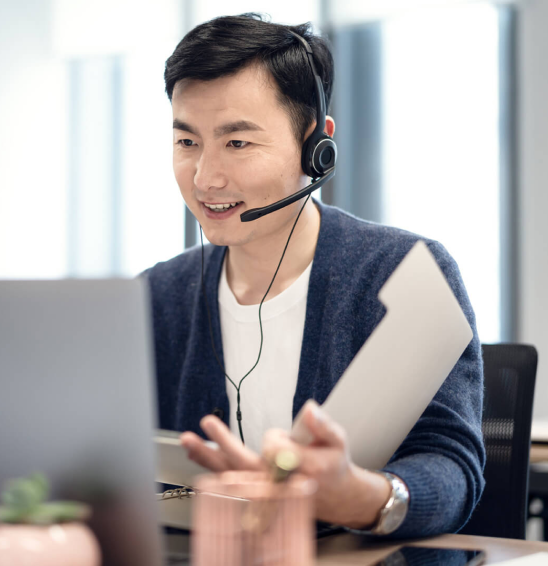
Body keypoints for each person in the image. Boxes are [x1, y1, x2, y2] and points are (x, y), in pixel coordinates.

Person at [143, 13, 485, 537]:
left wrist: (360, 496)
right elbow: (129, 476)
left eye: (237, 143)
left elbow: (452, 468)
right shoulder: (157, 296)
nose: (205, 178)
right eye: (187, 142)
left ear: (315, 145)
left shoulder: (401, 277)